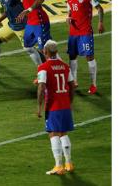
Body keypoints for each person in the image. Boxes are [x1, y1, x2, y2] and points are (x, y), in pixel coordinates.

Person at [36, 40, 75, 175]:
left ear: (45, 51)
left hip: (53, 106)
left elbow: (41, 87)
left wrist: (39, 106)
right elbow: (72, 85)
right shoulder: (65, 66)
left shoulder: (43, 68)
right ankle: (69, 163)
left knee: (53, 133)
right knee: (63, 132)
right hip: (65, 104)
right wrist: (70, 101)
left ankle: (58, 165)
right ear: (56, 52)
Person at [66, 0, 105, 94]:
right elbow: (70, 10)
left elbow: (100, 8)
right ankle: (74, 82)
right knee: (72, 56)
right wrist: (68, 17)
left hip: (85, 32)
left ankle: (93, 84)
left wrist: (100, 22)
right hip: (73, 32)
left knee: (89, 57)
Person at [17, 0, 52, 81]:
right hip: (31, 23)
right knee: (27, 46)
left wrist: (29, 10)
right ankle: (41, 69)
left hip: (39, 21)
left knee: (46, 50)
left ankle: (63, 74)